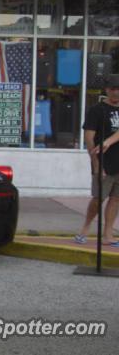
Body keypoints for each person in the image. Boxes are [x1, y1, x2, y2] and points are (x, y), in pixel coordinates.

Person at [74, 74, 119, 247]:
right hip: (104, 162)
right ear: (107, 90)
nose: (116, 93)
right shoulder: (97, 110)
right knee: (98, 197)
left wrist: (109, 141)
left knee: (116, 199)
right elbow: (90, 140)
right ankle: (85, 228)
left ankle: (108, 233)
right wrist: (96, 165)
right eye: (113, 89)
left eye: (118, 89)